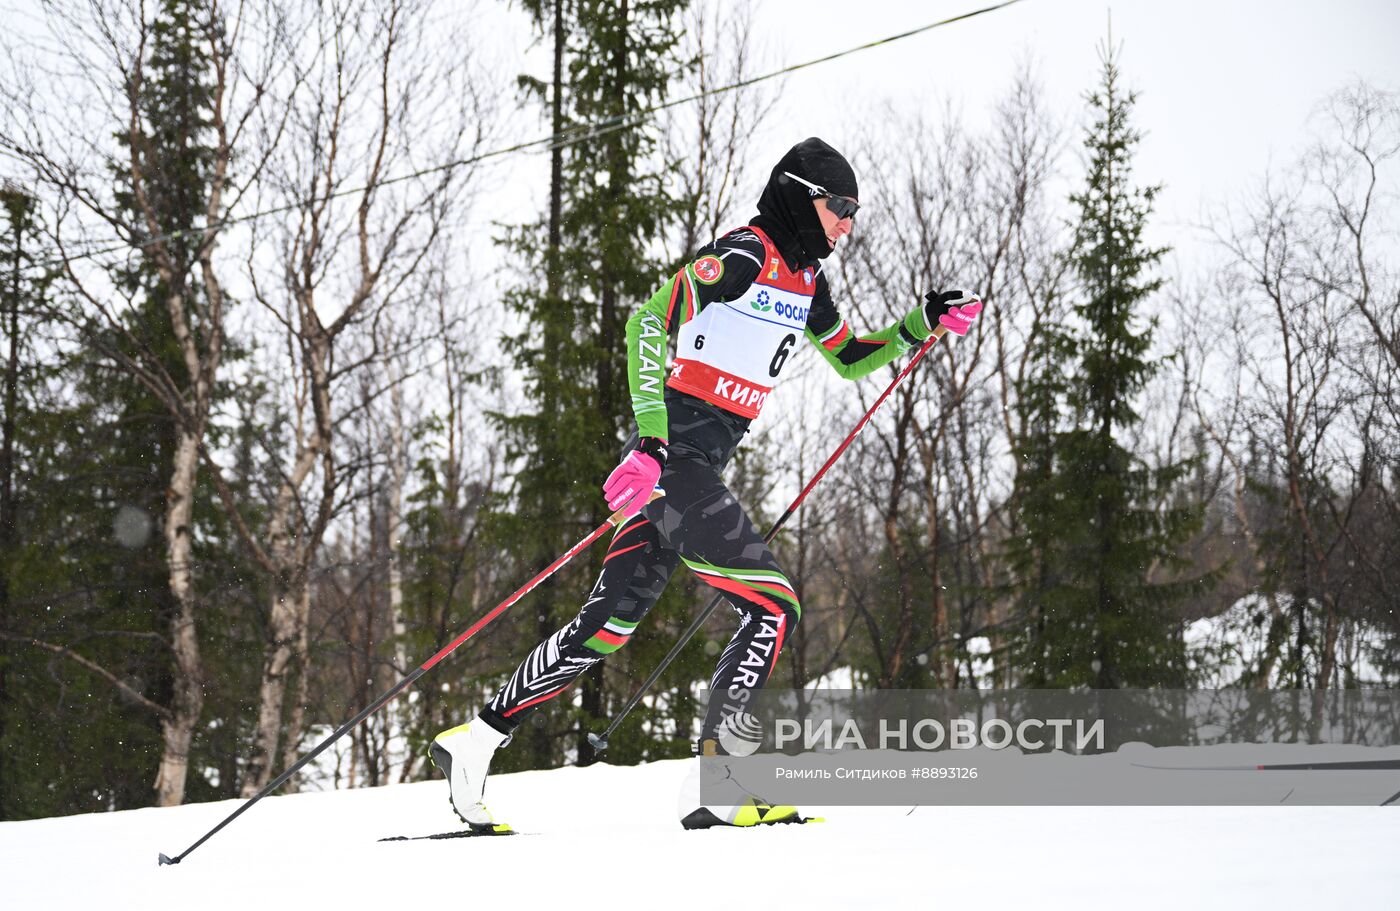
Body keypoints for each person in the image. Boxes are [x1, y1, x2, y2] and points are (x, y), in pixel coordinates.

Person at [430, 137, 982, 831]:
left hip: (686, 473)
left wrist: (920, 325)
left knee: (603, 629)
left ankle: (475, 741)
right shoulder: (746, 254)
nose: (847, 223)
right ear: (798, 194)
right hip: (673, 464)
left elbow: (847, 357)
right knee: (774, 607)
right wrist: (652, 441)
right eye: (839, 206)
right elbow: (647, 322)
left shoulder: (807, 279)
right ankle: (726, 782)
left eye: (854, 212)